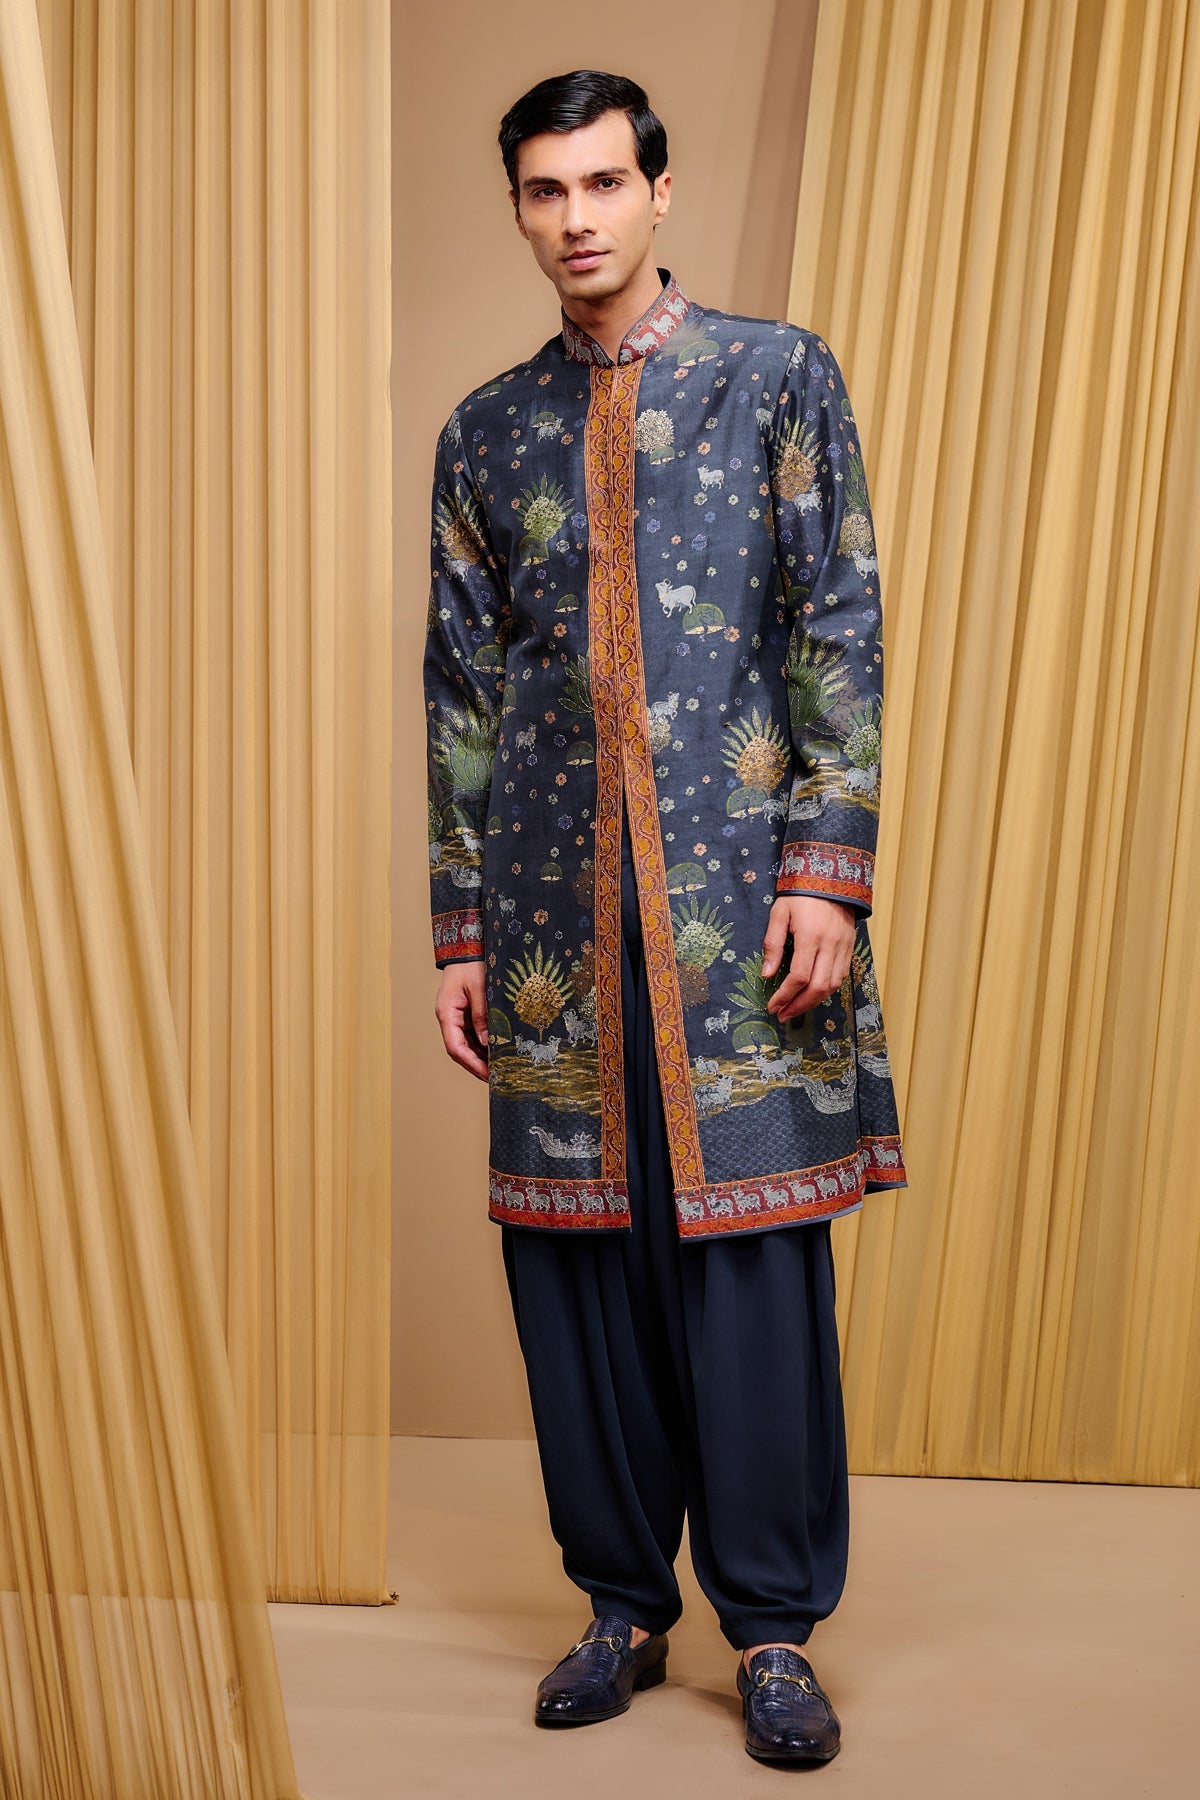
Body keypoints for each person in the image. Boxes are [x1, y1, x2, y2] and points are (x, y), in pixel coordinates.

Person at [423, 68, 907, 1766]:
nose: (577, 219)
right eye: (545, 190)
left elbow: (837, 623)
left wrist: (824, 865)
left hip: (737, 900)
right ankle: (623, 1604)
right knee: (575, 1266)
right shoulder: (486, 431)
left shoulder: (776, 379)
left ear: (661, 191)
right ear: (519, 208)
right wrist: (461, 927)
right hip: (553, 911)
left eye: (604, 183)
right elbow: (463, 696)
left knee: (751, 1261)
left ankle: (770, 1632)